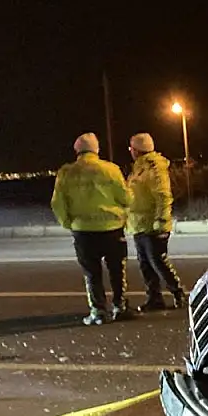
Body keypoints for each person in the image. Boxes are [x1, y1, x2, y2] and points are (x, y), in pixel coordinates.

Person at [50, 133, 134, 325]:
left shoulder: (66, 172)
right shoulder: (111, 170)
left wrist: (68, 223)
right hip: (112, 228)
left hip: (83, 231)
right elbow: (126, 198)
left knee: (92, 273)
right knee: (116, 270)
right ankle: (120, 307)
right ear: (97, 149)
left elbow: (57, 203)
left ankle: (98, 311)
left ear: (77, 150)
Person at [127, 132, 186, 311]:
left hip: (153, 225)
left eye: (132, 148)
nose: (130, 151)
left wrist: (161, 221)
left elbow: (162, 195)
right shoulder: (139, 168)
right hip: (140, 224)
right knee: (145, 264)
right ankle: (154, 298)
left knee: (158, 261)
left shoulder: (154, 167)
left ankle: (178, 293)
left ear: (137, 150)